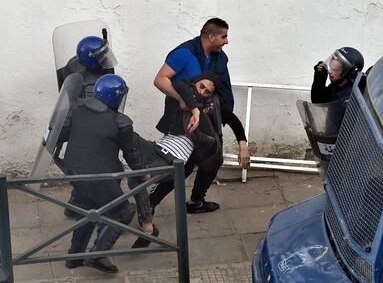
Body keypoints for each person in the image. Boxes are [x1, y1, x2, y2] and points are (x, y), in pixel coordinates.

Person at [151, 17, 250, 214]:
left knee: (212, 158)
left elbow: (223, 101)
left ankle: (196, 201)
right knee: (183, 167)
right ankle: (149, 203)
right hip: (182, 121)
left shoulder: (217, 58)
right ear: (210, 36)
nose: (227, 41)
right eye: (224, 36)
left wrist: (242, 143)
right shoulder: (184, 54)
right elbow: (160, 80)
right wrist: (182, 99)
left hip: (208, 118)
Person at [130, 71, 222, 248]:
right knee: (138, 175)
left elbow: (222, 126)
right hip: (161, 147)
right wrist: (194, 109)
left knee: (140, 183)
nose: (202, 92)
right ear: (195, 83)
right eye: (201, 86)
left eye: (207, 92)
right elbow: (179, 84)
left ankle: (147, 224)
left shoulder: (206, 111)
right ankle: (146, 220)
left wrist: (242, 142)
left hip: (175, 158)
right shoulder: (182, 98)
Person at [63, 74, 142, 273]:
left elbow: (61, 133)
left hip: (73, 170)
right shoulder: (121, 121)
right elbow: (130, 153)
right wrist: (143, 172)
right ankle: (98, 255)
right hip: (97, 175)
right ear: (116, 97)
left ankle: (75, 256)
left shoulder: (77, 109)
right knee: (123, 211)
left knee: (86, 208)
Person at [57, 32, 119, 219]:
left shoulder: (102, 68)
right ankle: (115, 214)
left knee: (93, 169)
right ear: (89, 59)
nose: (105, 58)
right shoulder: (76, 76)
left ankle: (76, 205)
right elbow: (69, 106)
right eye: (101, 56)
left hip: (101, 124)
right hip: (89, 128)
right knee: (107, 168)